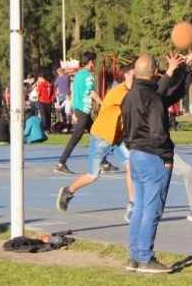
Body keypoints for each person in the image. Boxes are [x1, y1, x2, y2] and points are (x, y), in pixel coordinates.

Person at [121, 54, 188, 274]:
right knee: (152, 209)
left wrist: (183, 71)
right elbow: (159, 133)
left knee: (139, 207)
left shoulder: (129, 96)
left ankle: (134, 255)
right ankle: (145, 257)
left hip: (136, 155)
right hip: (153, 157)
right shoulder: (153, 98)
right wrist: (167, 158)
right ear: (154, 72)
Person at [57, 65, 134, 213]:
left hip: (116, 137)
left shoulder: (129, 91)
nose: (135, 79)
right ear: (125, 76)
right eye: (132, 75)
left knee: (132, 165)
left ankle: (132, 204)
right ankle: (68, 191)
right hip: (101, 137)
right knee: (92, 176)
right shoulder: (120, 91)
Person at [54, 52, 102, 175]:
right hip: (84, 111)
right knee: (76, 137)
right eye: (94, 62)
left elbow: (75, 93)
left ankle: (104, 162)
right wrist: (104, 103)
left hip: (80, 110)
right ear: (91, 61)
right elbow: (92, 93)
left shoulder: (78, 75)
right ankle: (61, 163)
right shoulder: (87, 76)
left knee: (98, 134)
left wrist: (74, 110)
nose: (94, 64)